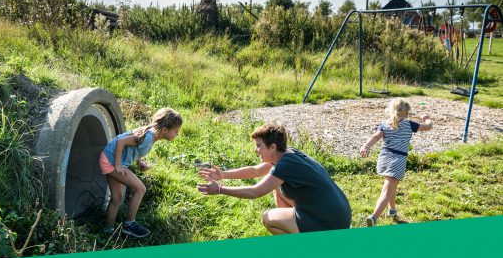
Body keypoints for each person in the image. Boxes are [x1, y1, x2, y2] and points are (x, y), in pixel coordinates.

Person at [197, 123, 351, 234]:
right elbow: (255, 171)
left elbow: (255, 192)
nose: (255, 150)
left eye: (259, 145)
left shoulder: (284, 166)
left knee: (268, 218)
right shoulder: (289, 154)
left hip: (330, 225)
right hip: (338, 216)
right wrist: (224, 175)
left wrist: (219, 189)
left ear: (272, 147)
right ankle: (295, 227)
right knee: (277, 186)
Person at [99, 108, 183, 237]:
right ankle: (130, 224)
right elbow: (121, 142)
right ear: (165, 130)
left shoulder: (149, 134)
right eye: (176, 131)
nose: (177, 134)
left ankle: (107, 230)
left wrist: (139, 162)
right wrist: (118, 165)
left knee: (116, 198)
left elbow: (133, 148)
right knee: (140, 189)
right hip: (111, 162)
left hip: (107, 158)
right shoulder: (148, 138)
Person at [360, 98, 433, 227]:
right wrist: (426, 118)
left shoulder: (384, 124)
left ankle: (392, 210)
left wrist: (366, 146)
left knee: (392, 186)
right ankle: (374, 217)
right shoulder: (410, 125)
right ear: (407, 112)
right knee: (387, 191)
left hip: (384, 158)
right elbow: (428, 127)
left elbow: (376, 137)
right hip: (398, 160)